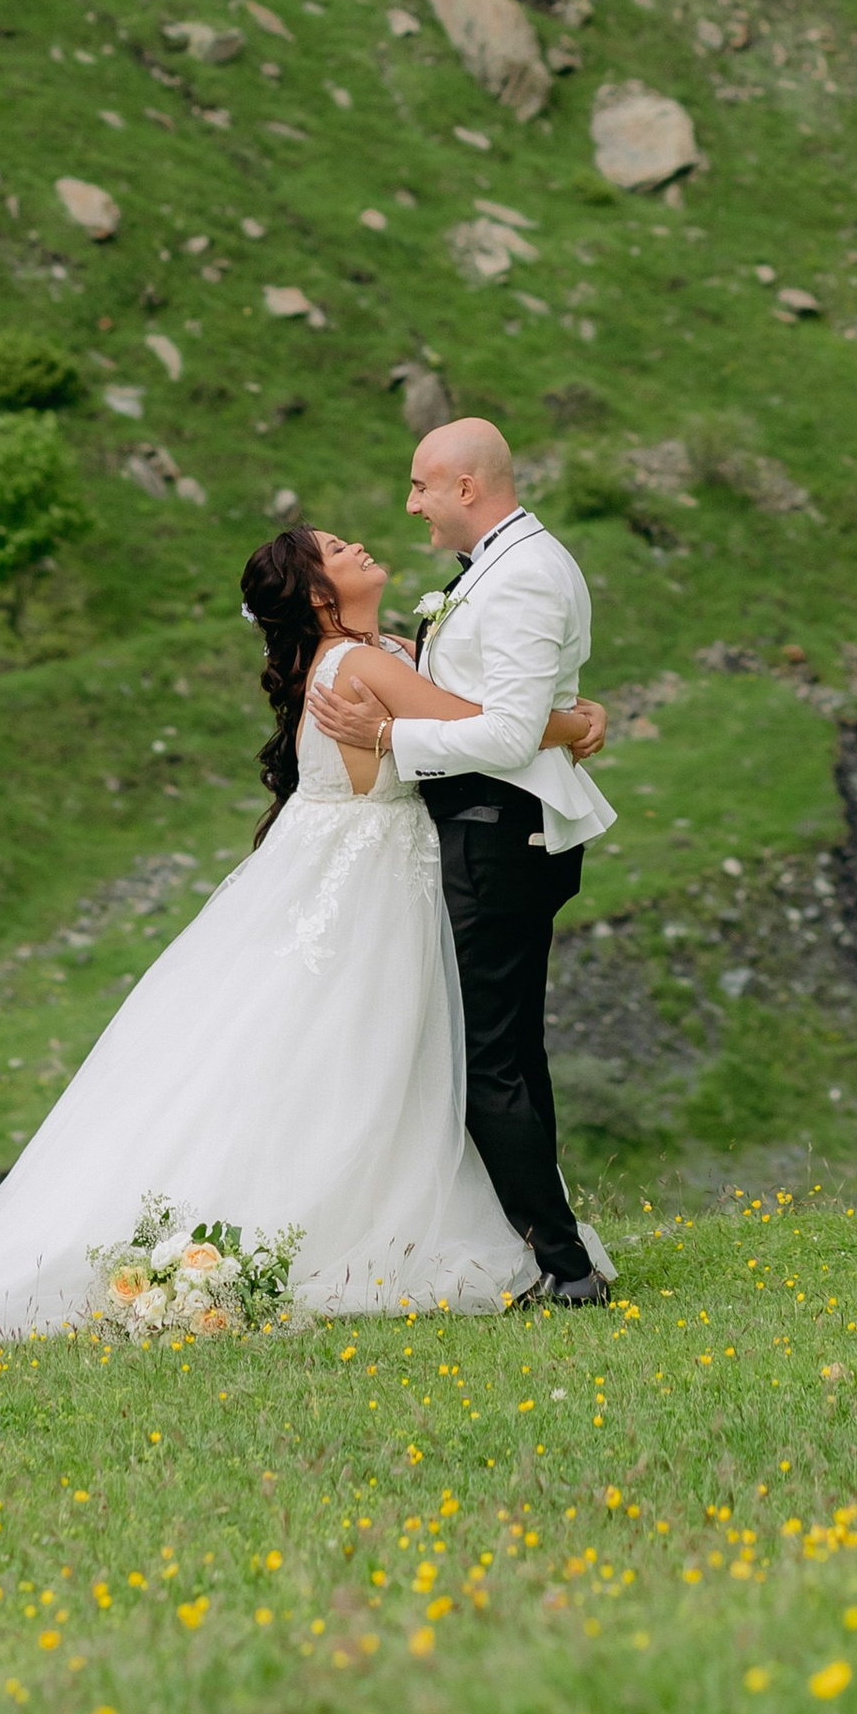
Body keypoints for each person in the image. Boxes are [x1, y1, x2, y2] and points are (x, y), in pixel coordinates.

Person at [0, 521, 608, 1354]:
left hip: (367, 874)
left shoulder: (380, 655)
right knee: (357, 1058)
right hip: (367, 883)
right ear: (315, 593)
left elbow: (460, 711)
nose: (362, 543)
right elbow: (479, 725)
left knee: (361, 1061)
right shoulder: (358, 668)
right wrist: (579, 720)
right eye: (338, 548)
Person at [307, 417, 615, 1307]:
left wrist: (390, 732)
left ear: (466, 487)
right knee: (511, 1050)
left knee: (487, 1059)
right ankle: (554, 1252)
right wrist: (569, 716)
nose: (409, 506)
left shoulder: (520, 576)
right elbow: (513, 706)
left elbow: (510, 729)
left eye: (419, 487)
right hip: (495, 827)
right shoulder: (502, 566)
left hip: (499, 831)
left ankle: (561, 1265)